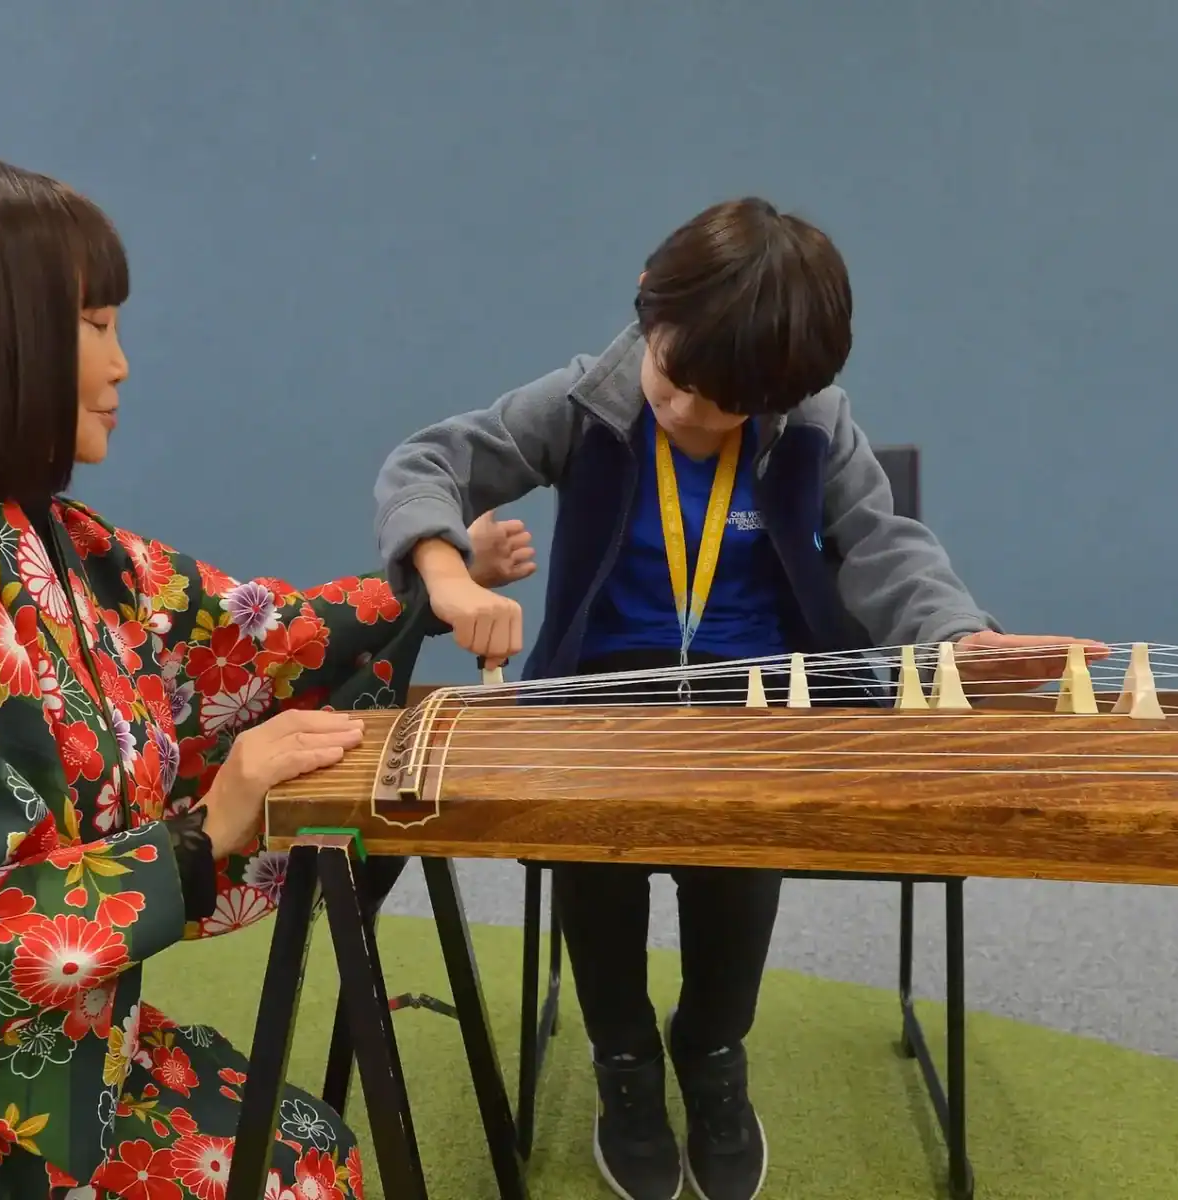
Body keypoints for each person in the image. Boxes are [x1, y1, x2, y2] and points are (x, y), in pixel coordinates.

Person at [0, 155, 527, 1200]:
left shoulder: (37, 534)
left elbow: (237, 638)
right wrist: (210, 826)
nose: (122, 365)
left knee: (303, 1140)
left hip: (11, 1039)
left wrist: (429, 585)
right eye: (96, 325)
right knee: (291, 1173)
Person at [373, 197, 1108, 1200]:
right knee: (595, 862)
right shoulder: (584, 401)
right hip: (600, 698)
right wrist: (448, 575)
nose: (687, 415)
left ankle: (712, 1052)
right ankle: (624, 1060)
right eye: (676, 380)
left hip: (759, 703)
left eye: (724, 409)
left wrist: (957, 641)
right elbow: (429, 462)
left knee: (735, 863)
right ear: (649, 307)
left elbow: (883, 544)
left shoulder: (811, 422)